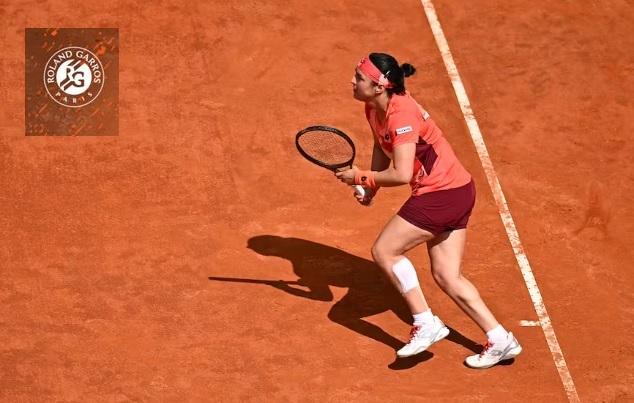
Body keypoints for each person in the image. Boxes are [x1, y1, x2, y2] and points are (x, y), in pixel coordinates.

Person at [335, 53, 521, 369]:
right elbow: (382, 146)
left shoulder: (401, 114)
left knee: (385, 251)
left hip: (442, 194)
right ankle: (501, 338)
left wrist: (360, 177)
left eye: (359, 78)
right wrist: (371, 186)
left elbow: (403, 174)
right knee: (448, 276)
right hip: (458, 189)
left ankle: (425, 323)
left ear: (379, 86)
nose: (352, 82)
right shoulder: (374, 108)